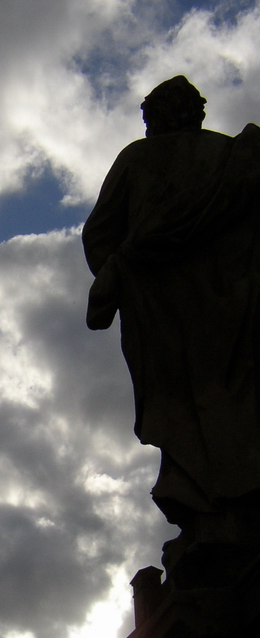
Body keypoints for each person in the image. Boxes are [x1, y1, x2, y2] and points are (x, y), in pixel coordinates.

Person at [83, 76, 260, 570]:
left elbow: (99, 236)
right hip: (236, 309)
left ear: (154, 118)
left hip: (164, 316)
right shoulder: (237, 159)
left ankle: (206, 512)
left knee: (180, 404)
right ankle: (236, 505)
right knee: (235, 400)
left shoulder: (138, 159)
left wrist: (127, 276)